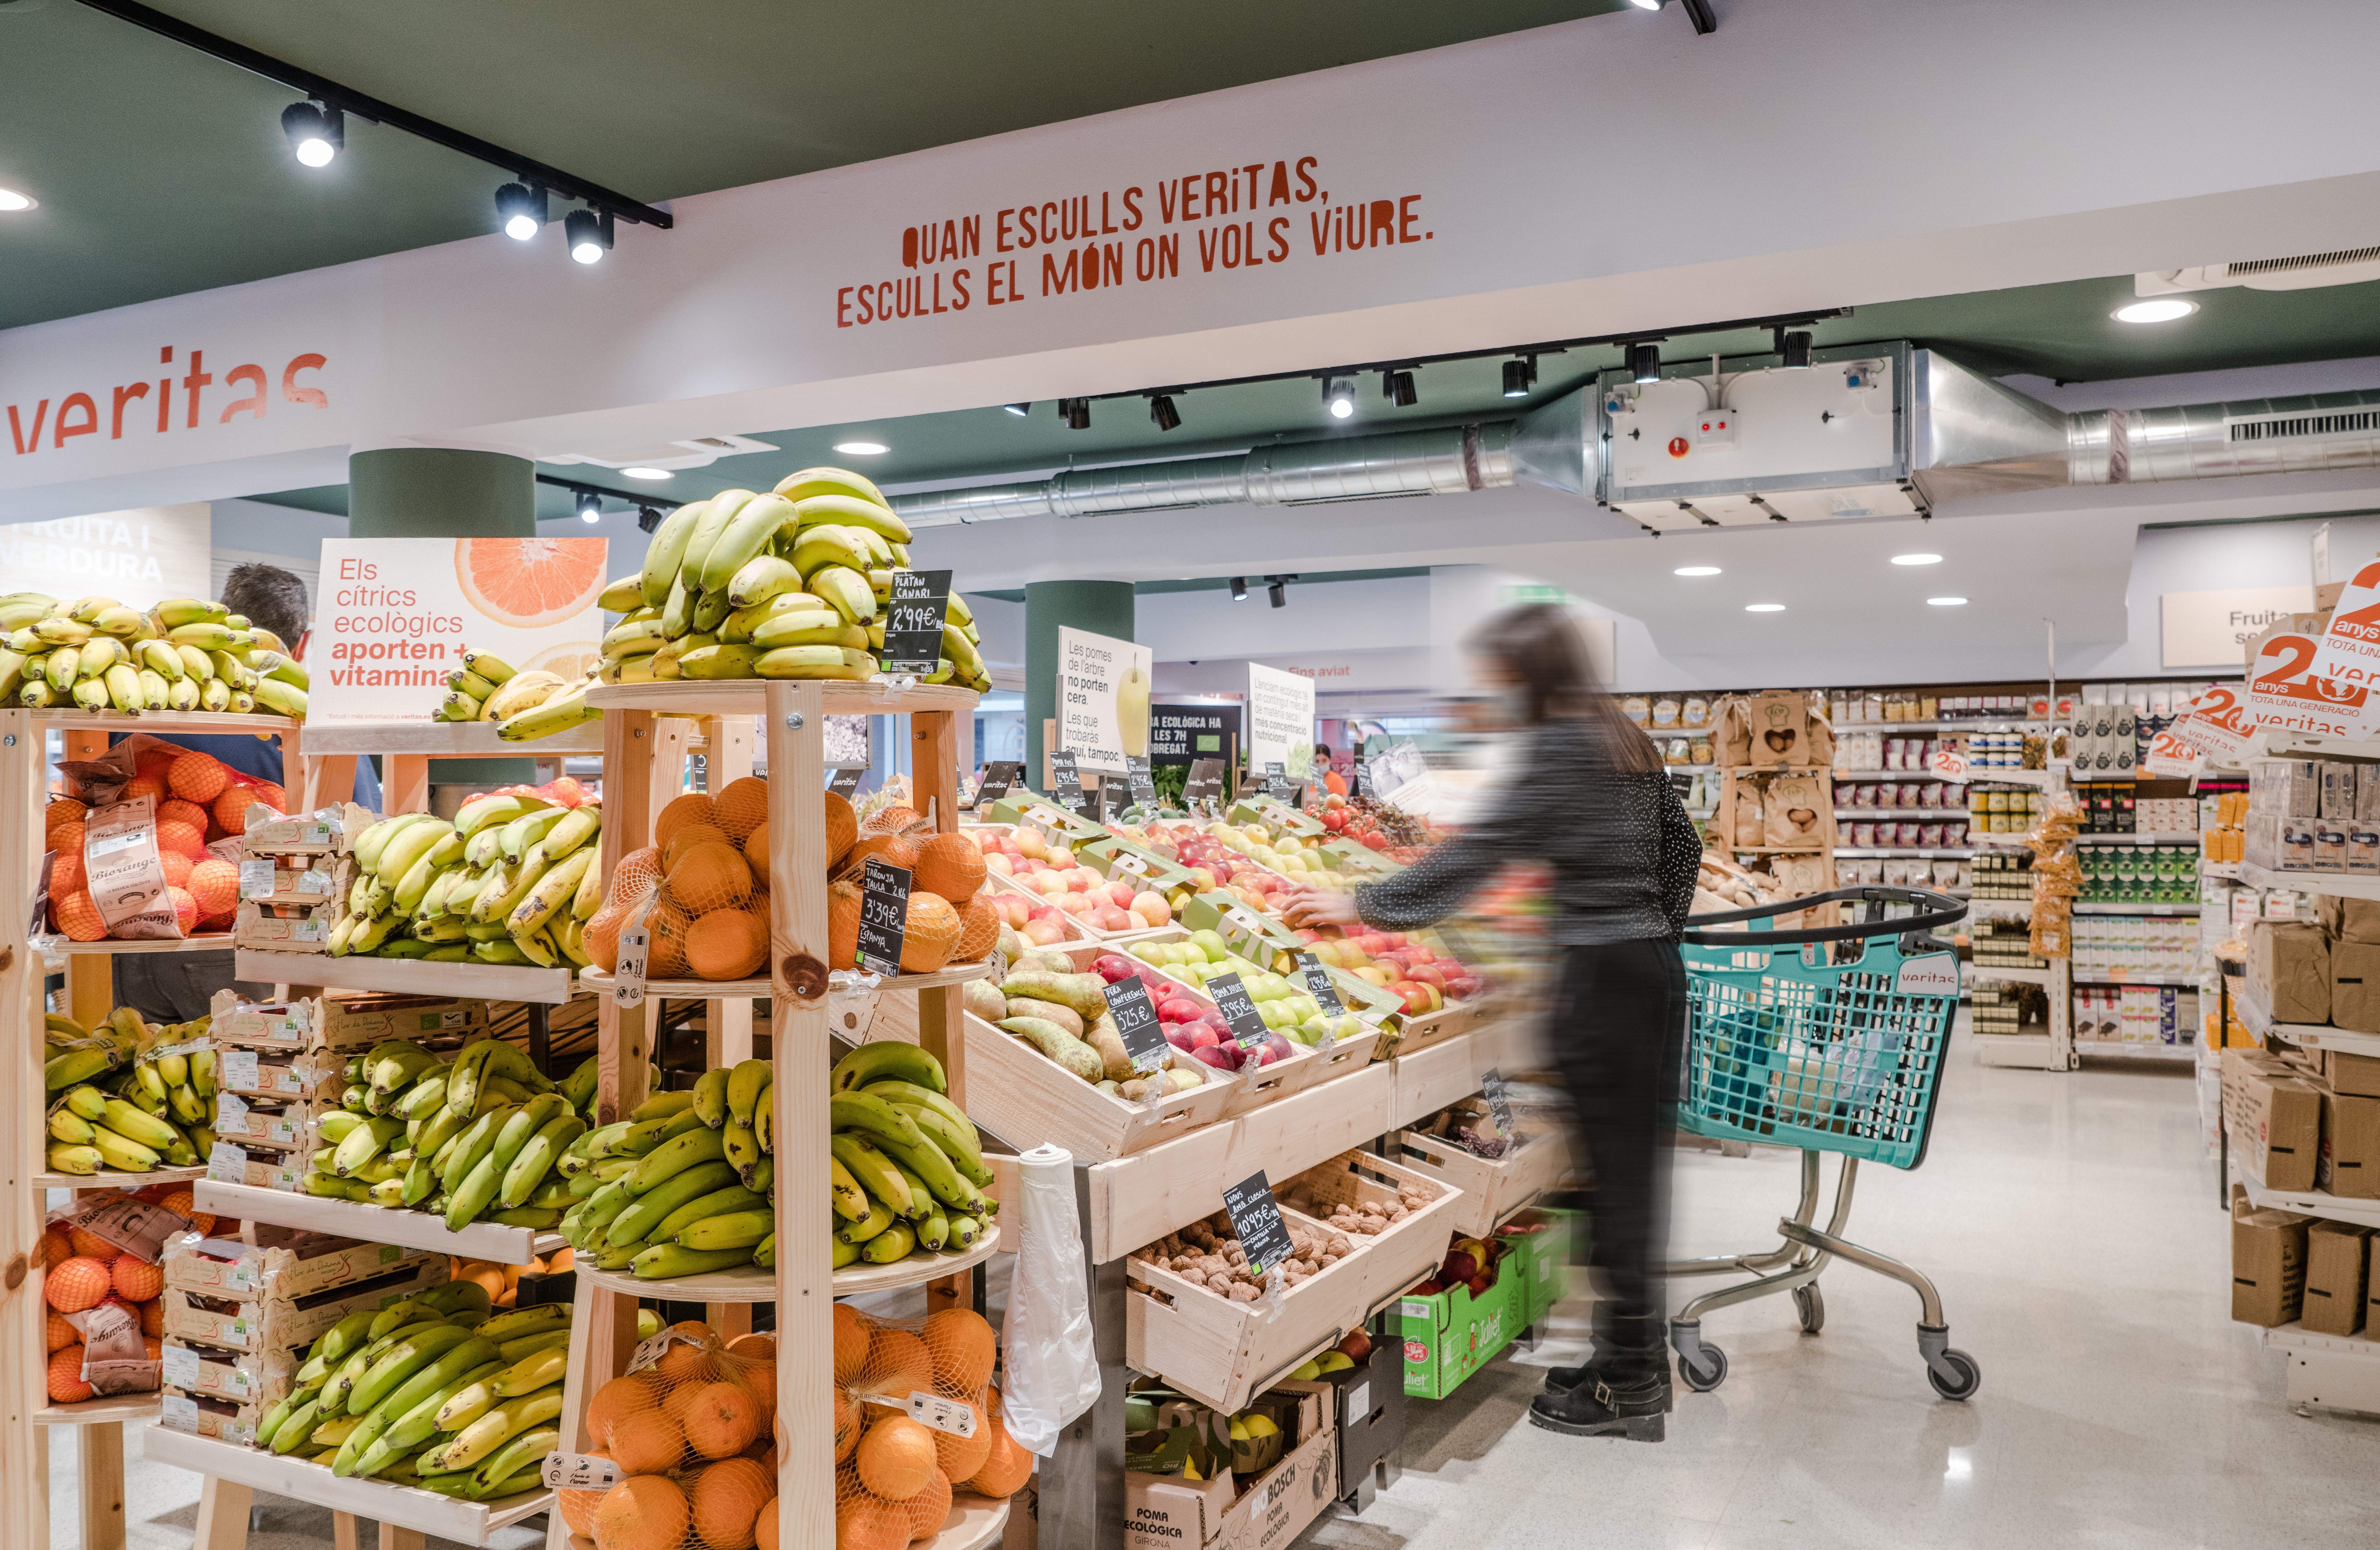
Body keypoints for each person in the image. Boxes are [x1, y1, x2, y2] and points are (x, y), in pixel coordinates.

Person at [1279, 603, 1698, 1441]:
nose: (1493, 692)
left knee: (1613, 1186)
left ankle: (1629, 1384)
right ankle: (1630, 1357)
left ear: (1527, 675)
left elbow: (1476, 858)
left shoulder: (1556, 747)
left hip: (1600, 981)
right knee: (1632, 1176)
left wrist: (1357, 902)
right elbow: (1682, 850)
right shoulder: (1624, 739)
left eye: (1500, 677)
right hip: (1651, 974)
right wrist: (1651, 931)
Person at [111, 562, 382, 1021]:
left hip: (132, 935)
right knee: (252, 1084)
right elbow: (360, 840)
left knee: (147, 1083)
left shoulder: (156, 696)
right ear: (303, 642)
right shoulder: (313, 723)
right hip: (241, 942)